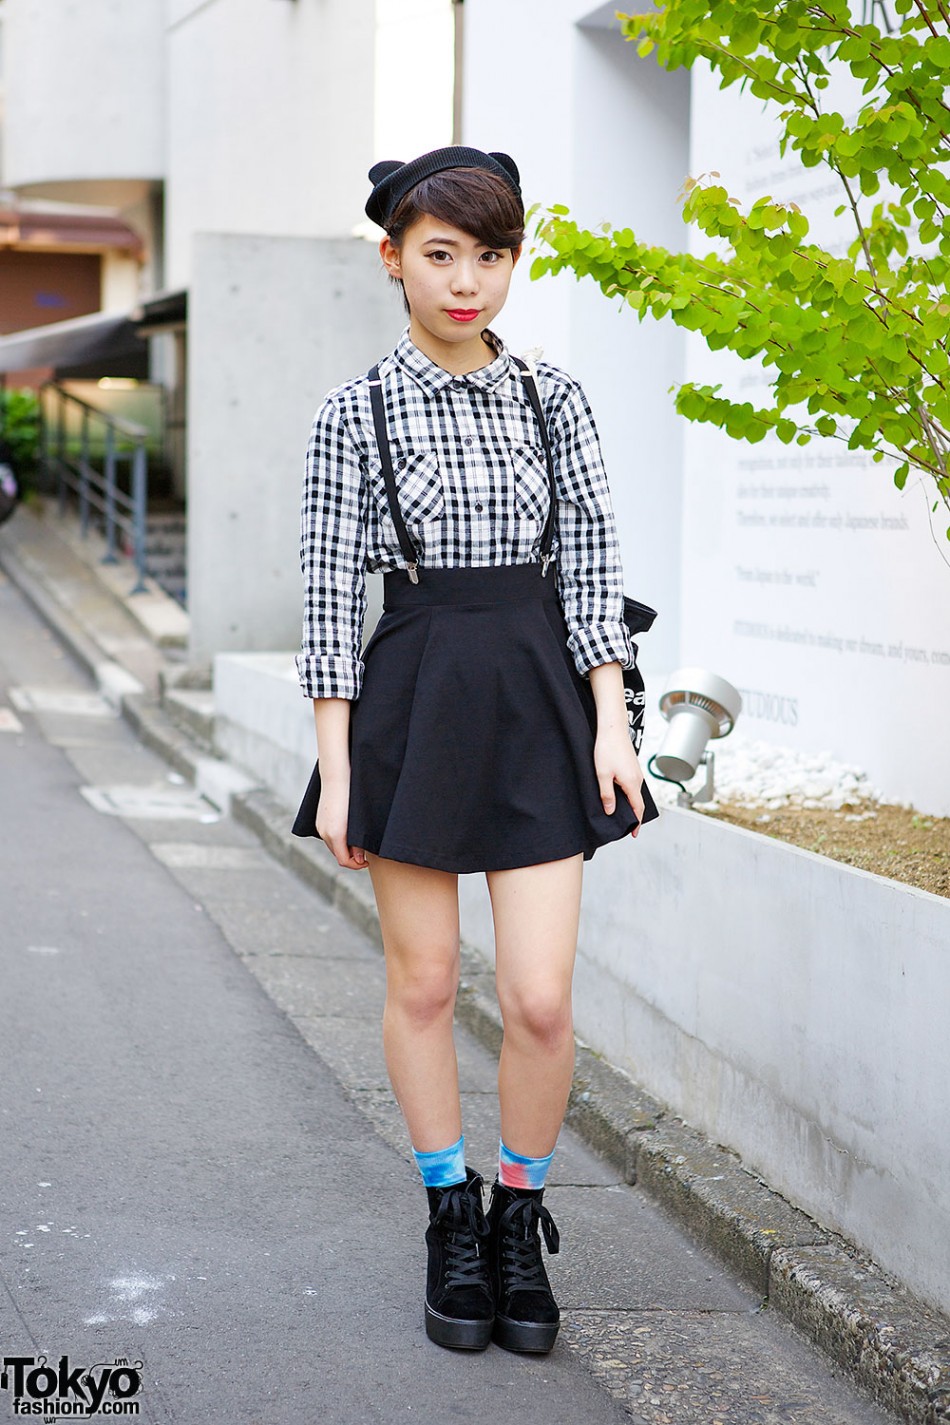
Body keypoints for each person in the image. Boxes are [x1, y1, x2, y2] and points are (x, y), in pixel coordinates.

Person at [294, 146, 657, 1356]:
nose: (466, 281)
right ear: (391, 256)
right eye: (440, 254)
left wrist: (612, 726)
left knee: (540, 999)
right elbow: (326, 599)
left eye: (489, 256)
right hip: (411, 694)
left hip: (539, 698)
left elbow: (595, 567)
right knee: (422, 982)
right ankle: (450, 1215)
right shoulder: (356, 410)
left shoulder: (556, 398)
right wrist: (338, 769)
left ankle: (519, 1216)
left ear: (513, 261)